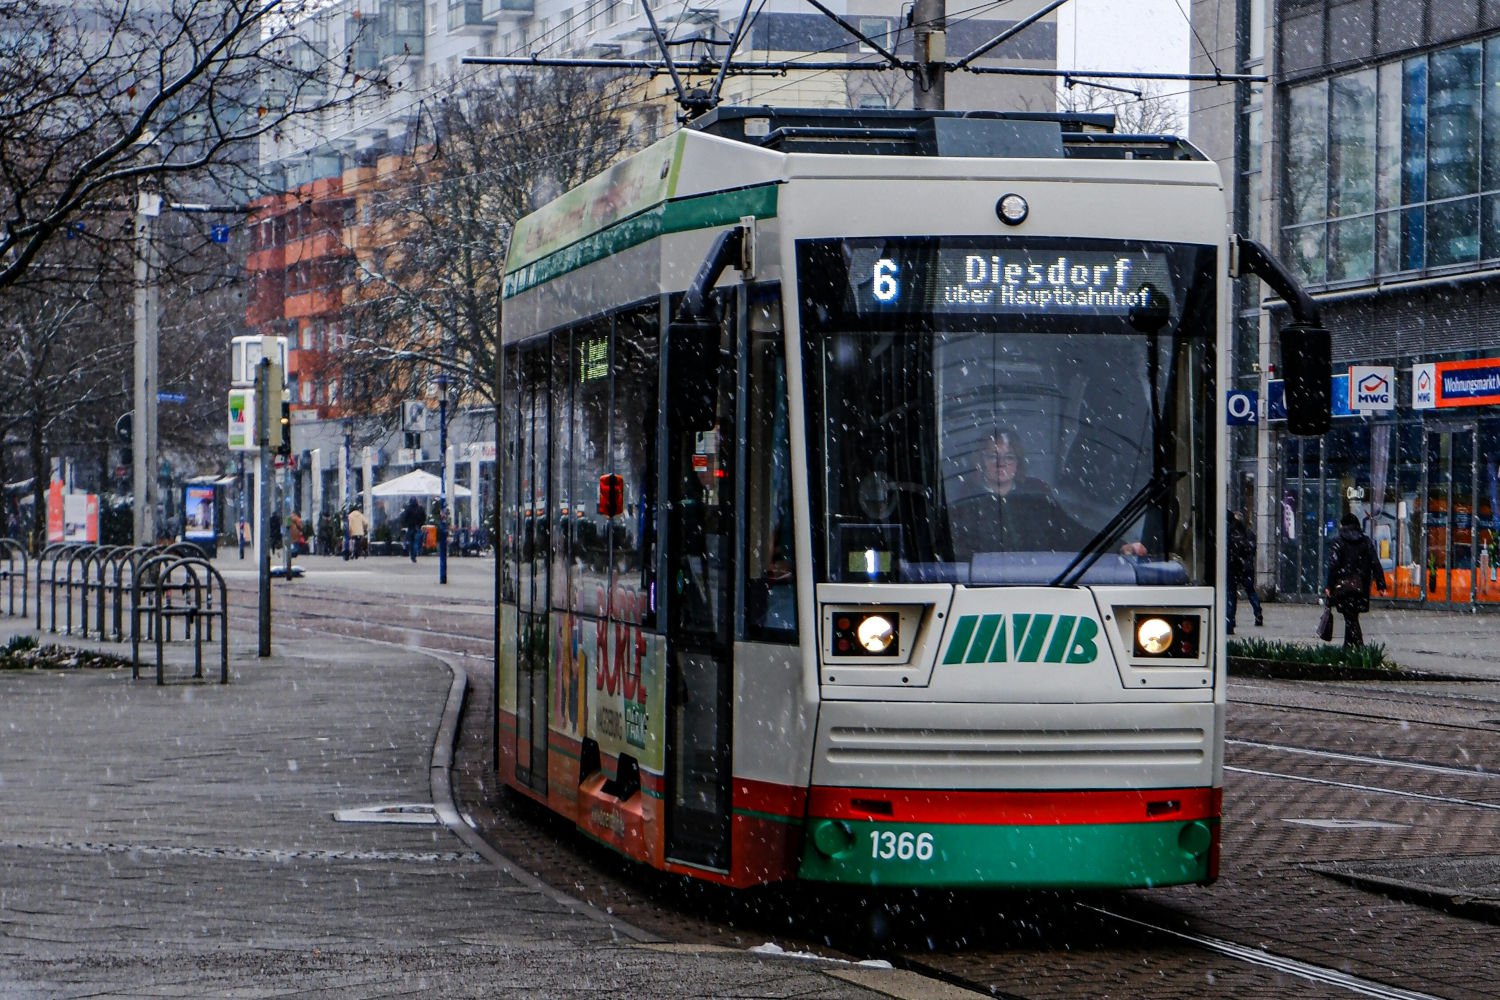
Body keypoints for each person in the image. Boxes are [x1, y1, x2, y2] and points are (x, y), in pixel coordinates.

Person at [948, 429, 1099, 558]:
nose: (1001, 463)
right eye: (992, 456)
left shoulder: (1038, 500)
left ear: (1018, 463)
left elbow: (1072, 533)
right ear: (980, 461)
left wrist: (1115, 545)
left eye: (1009, 457)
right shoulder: (964, 505)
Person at [1325, 512, 1387, 647]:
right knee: (1352, 616)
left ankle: (1358, 647)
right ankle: (1349, 647)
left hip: (1343, 587)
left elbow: (1333, 566)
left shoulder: (1339, 542)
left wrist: (1329, 586)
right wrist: (1380, 584)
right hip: (1361, 586)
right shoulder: (1365, 541)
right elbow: (1375, 562)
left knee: (1350, 618)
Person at [1225, 511, 1262, 635]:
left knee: (1231, 595)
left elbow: (1229, 551)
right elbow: (1252, 551)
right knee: (1250, 591)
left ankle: (1230, 622)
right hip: (1246, 568)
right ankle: (1258, 613)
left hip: (1233, 568)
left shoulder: (1230, 533)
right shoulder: (1248, 533)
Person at [401, 497, 426, 562]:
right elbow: (424, 517)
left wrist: (406, 524)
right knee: (416, 541)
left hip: (411, 527)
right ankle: (415, 554)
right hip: (418, 527)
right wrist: (421, 523)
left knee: (412, 542)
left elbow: (405, 518)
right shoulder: (420, 508)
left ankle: (413, 555)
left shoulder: (408, 509)